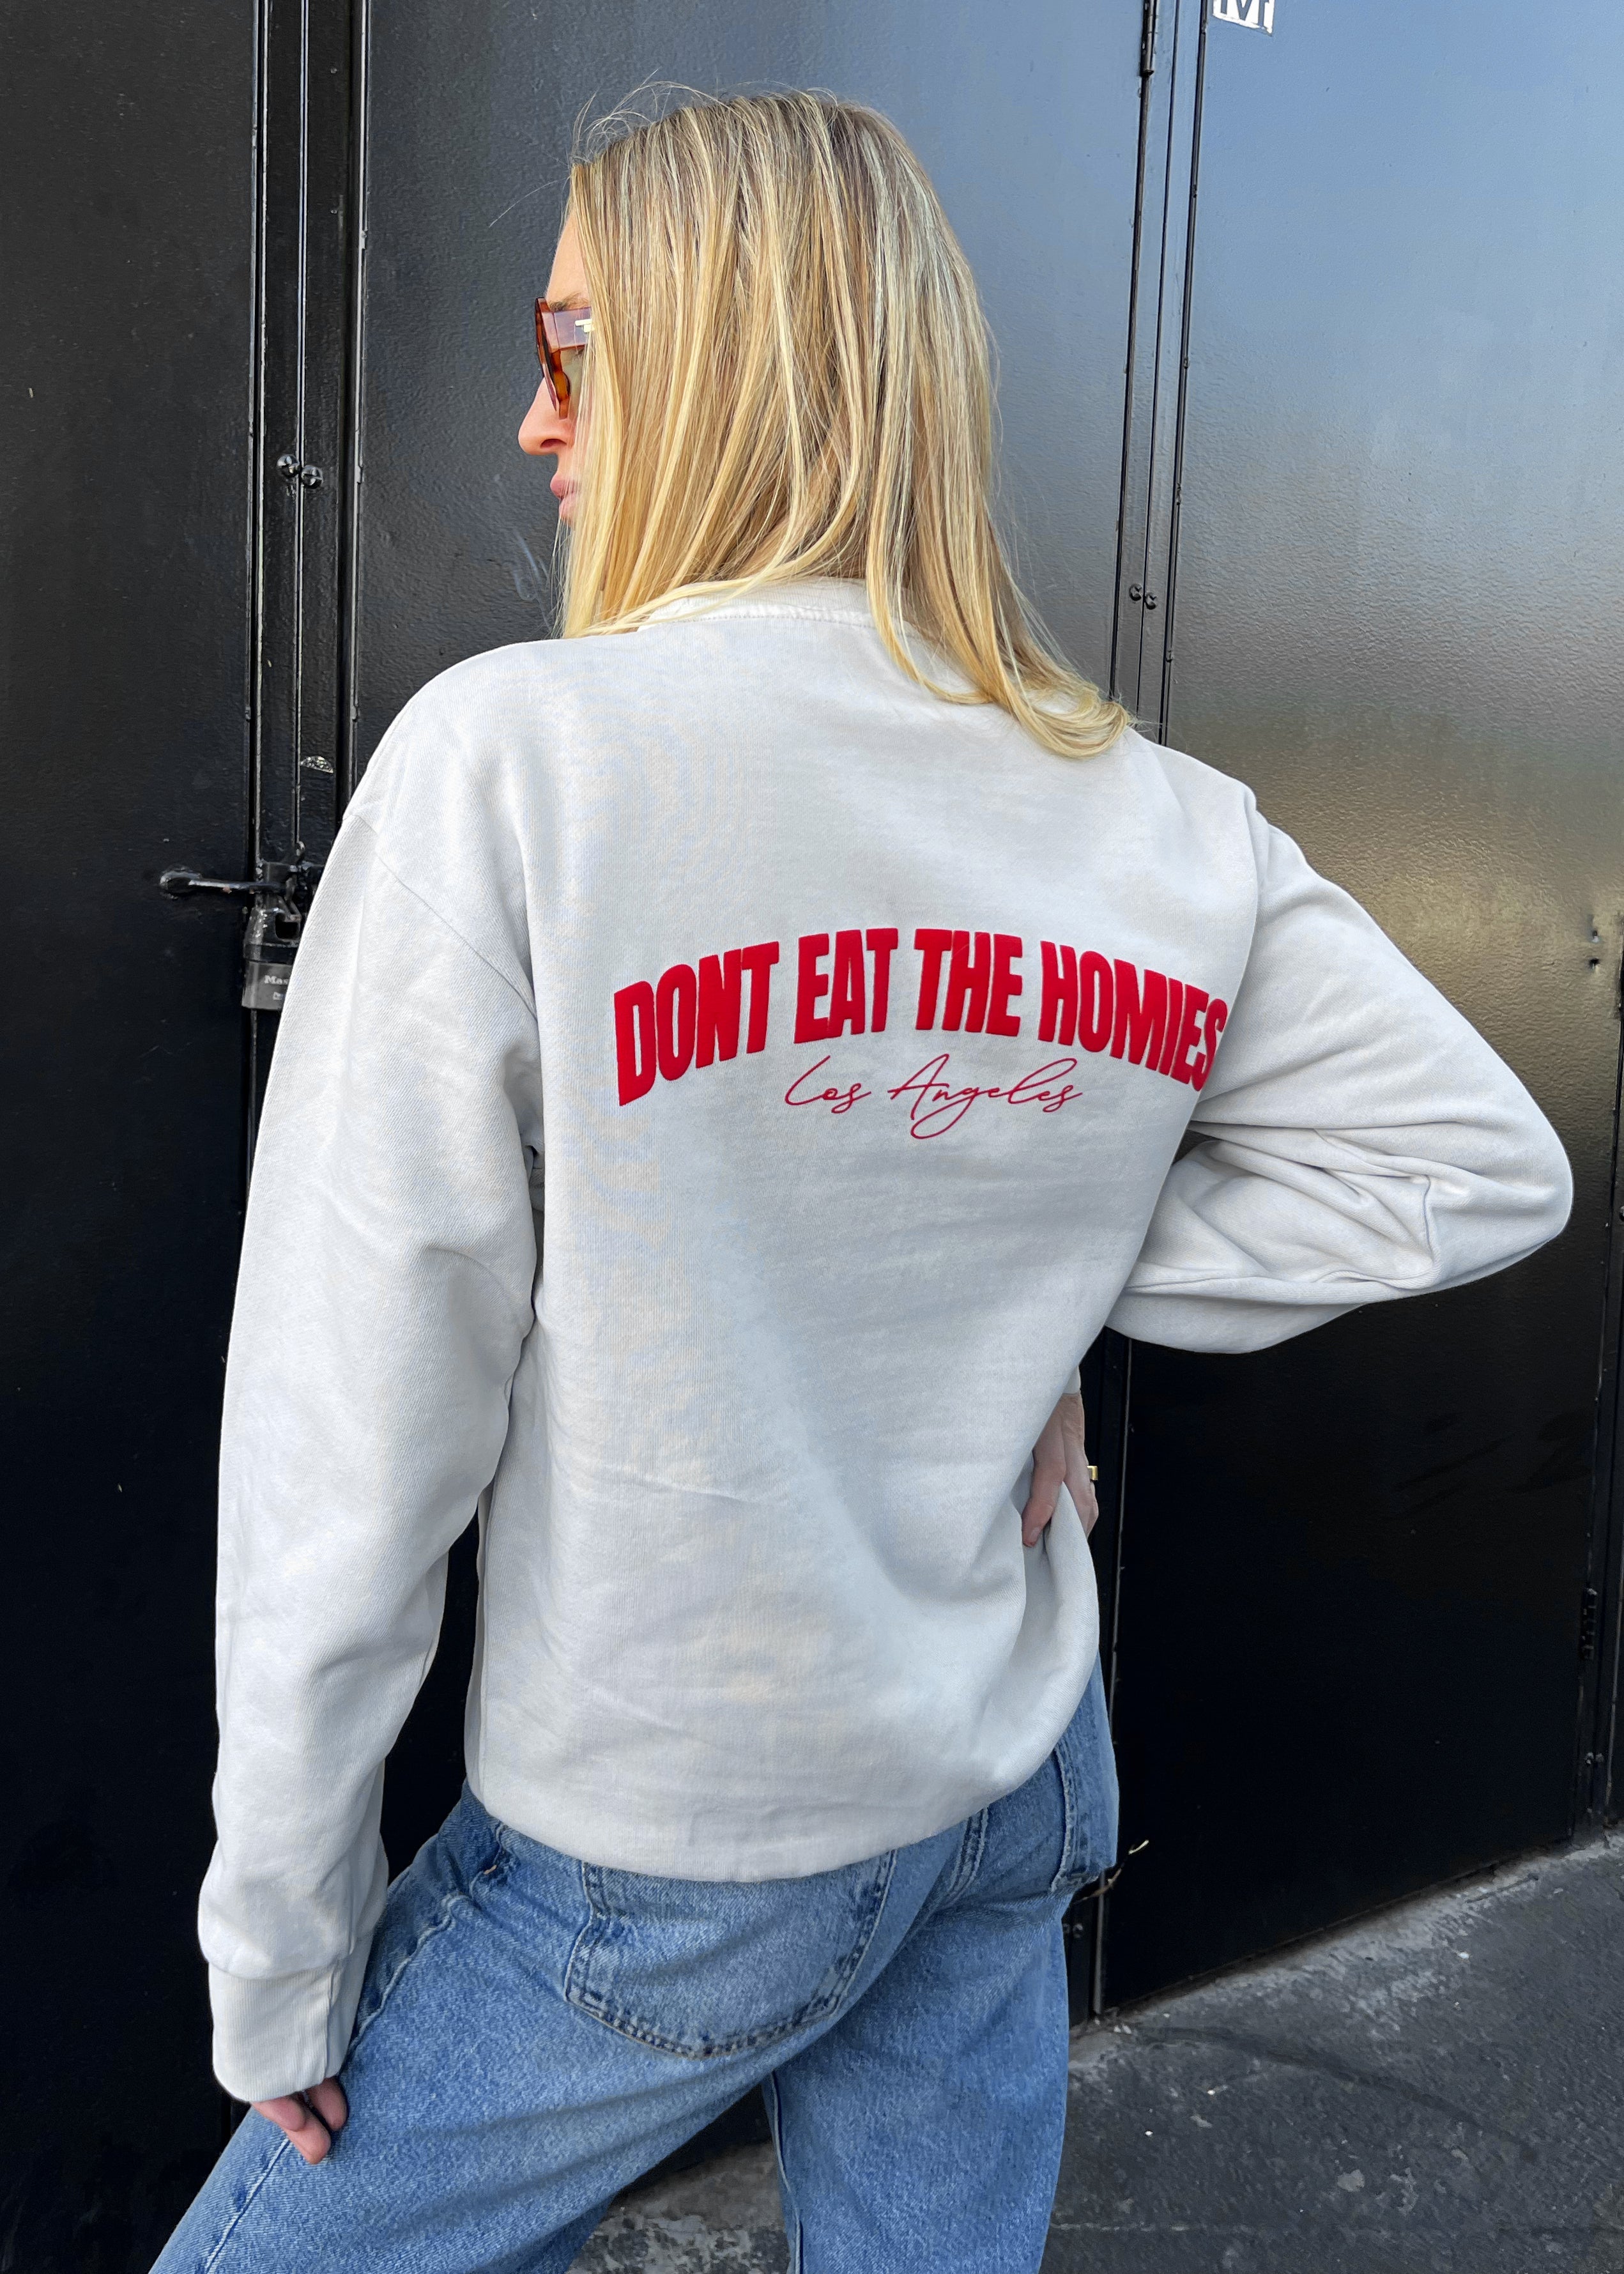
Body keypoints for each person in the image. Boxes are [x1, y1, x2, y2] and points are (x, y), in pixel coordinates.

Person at [154, 89, 1570, 2274]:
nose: (538, 424)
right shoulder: (1157, 819)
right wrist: (1057, 1259)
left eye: (573, 351)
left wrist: (279, 1941)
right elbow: (1474, 1163)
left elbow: (351, 1437)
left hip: (675, 1840)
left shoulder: (515, 769)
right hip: (1008, 1774)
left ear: (727, 367)